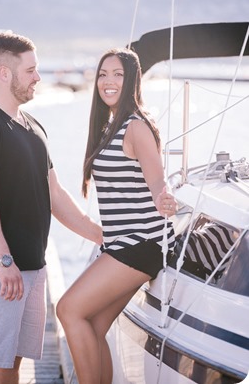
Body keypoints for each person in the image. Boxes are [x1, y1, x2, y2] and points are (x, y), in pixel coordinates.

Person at [0, 32, 102, 384]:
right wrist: (4, 260)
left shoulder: (33, 127)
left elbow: (55, 194)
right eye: (30, 70)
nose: (38, 78)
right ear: (4, 73)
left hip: (32, 267)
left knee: (4, 361)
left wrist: (101, 235)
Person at [56, 47, 177, 384]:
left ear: (133, 80)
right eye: (103, 74)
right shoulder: (112, 125)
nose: (108, 81)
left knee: (67, 310)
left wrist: (163, 196)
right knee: (92, 326)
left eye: (118, 74)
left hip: (141, 244)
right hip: (122, 245)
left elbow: (157, 178)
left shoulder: (136, 126)